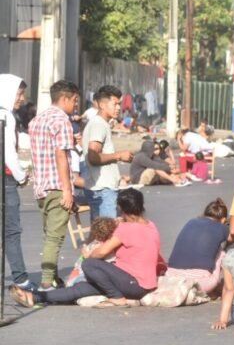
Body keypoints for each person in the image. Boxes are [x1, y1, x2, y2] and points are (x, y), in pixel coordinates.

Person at [10, 189, 163, 308]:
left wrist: (87, 254)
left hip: (133, 283)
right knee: (80, 289)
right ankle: (35, 297)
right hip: (141, 284)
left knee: (89, 264)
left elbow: (101, 252)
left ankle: (117, 297)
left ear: (121, 208)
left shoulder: (126, 228)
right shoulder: (151, 225)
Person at [28, 80, 80, 290]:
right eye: (75, 100)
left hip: (41, 187)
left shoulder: (37, 120)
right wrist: (67, 190)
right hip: (58, 186)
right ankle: (47, 282)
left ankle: (54, 278)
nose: (76, 105)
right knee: (54, 238)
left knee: (49, 234)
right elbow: (60, 156)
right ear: (65, 98)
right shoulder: (62, 121)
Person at [1, 74, 34, 291]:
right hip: (5, 180)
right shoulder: (6, 116)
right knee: (11, 231)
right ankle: (21, 279)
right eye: (19, 94)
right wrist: (22, 176)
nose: (21, 99)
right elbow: (9, 154)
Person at [84, 85, 134, 219]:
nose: (118, 108)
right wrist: (119, 156)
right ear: (102, 104)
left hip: (102, 187)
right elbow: (93, 157)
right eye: (114, 104)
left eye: (119, 104)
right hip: (103, 189)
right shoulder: (99, 124)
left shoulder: (101, 123)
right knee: (108, 230)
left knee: (101, 230)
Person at [167, 198, 231, 295]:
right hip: (200, 283)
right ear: (223, 219)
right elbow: (233, 237)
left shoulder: (191, 221)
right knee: (221, 251)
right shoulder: (223, 228)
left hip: (171, 277)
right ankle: (225, 284)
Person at [65, 217, 118, 287]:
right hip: (106, 271)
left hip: (88, 271)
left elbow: (85, 259)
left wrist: (85, 255)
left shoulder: (95, 246)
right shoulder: (111, 244)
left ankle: (70, 283)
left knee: (77, 272)